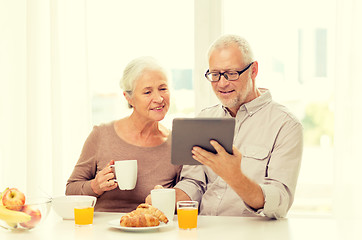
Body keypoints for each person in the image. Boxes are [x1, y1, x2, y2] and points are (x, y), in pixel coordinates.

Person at [155, 34, 303, 219]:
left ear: (254, 70)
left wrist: (235, 177)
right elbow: (194, 183)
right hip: (204, 230)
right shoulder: (204, 119)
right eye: (215, 75)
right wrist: (168, 199)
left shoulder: (286, 125)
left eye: (231, 74)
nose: (222, 83)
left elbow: (279, 202)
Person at [66, 56, 182, 212]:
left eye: (163, 88)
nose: (159, 98)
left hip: (152, 231)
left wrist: (167, 198)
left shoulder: (177, 144)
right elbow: (70, 190)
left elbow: (186, 200)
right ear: (129, 98)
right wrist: (95, 186)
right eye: (147, 92)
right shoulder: (101, 135)